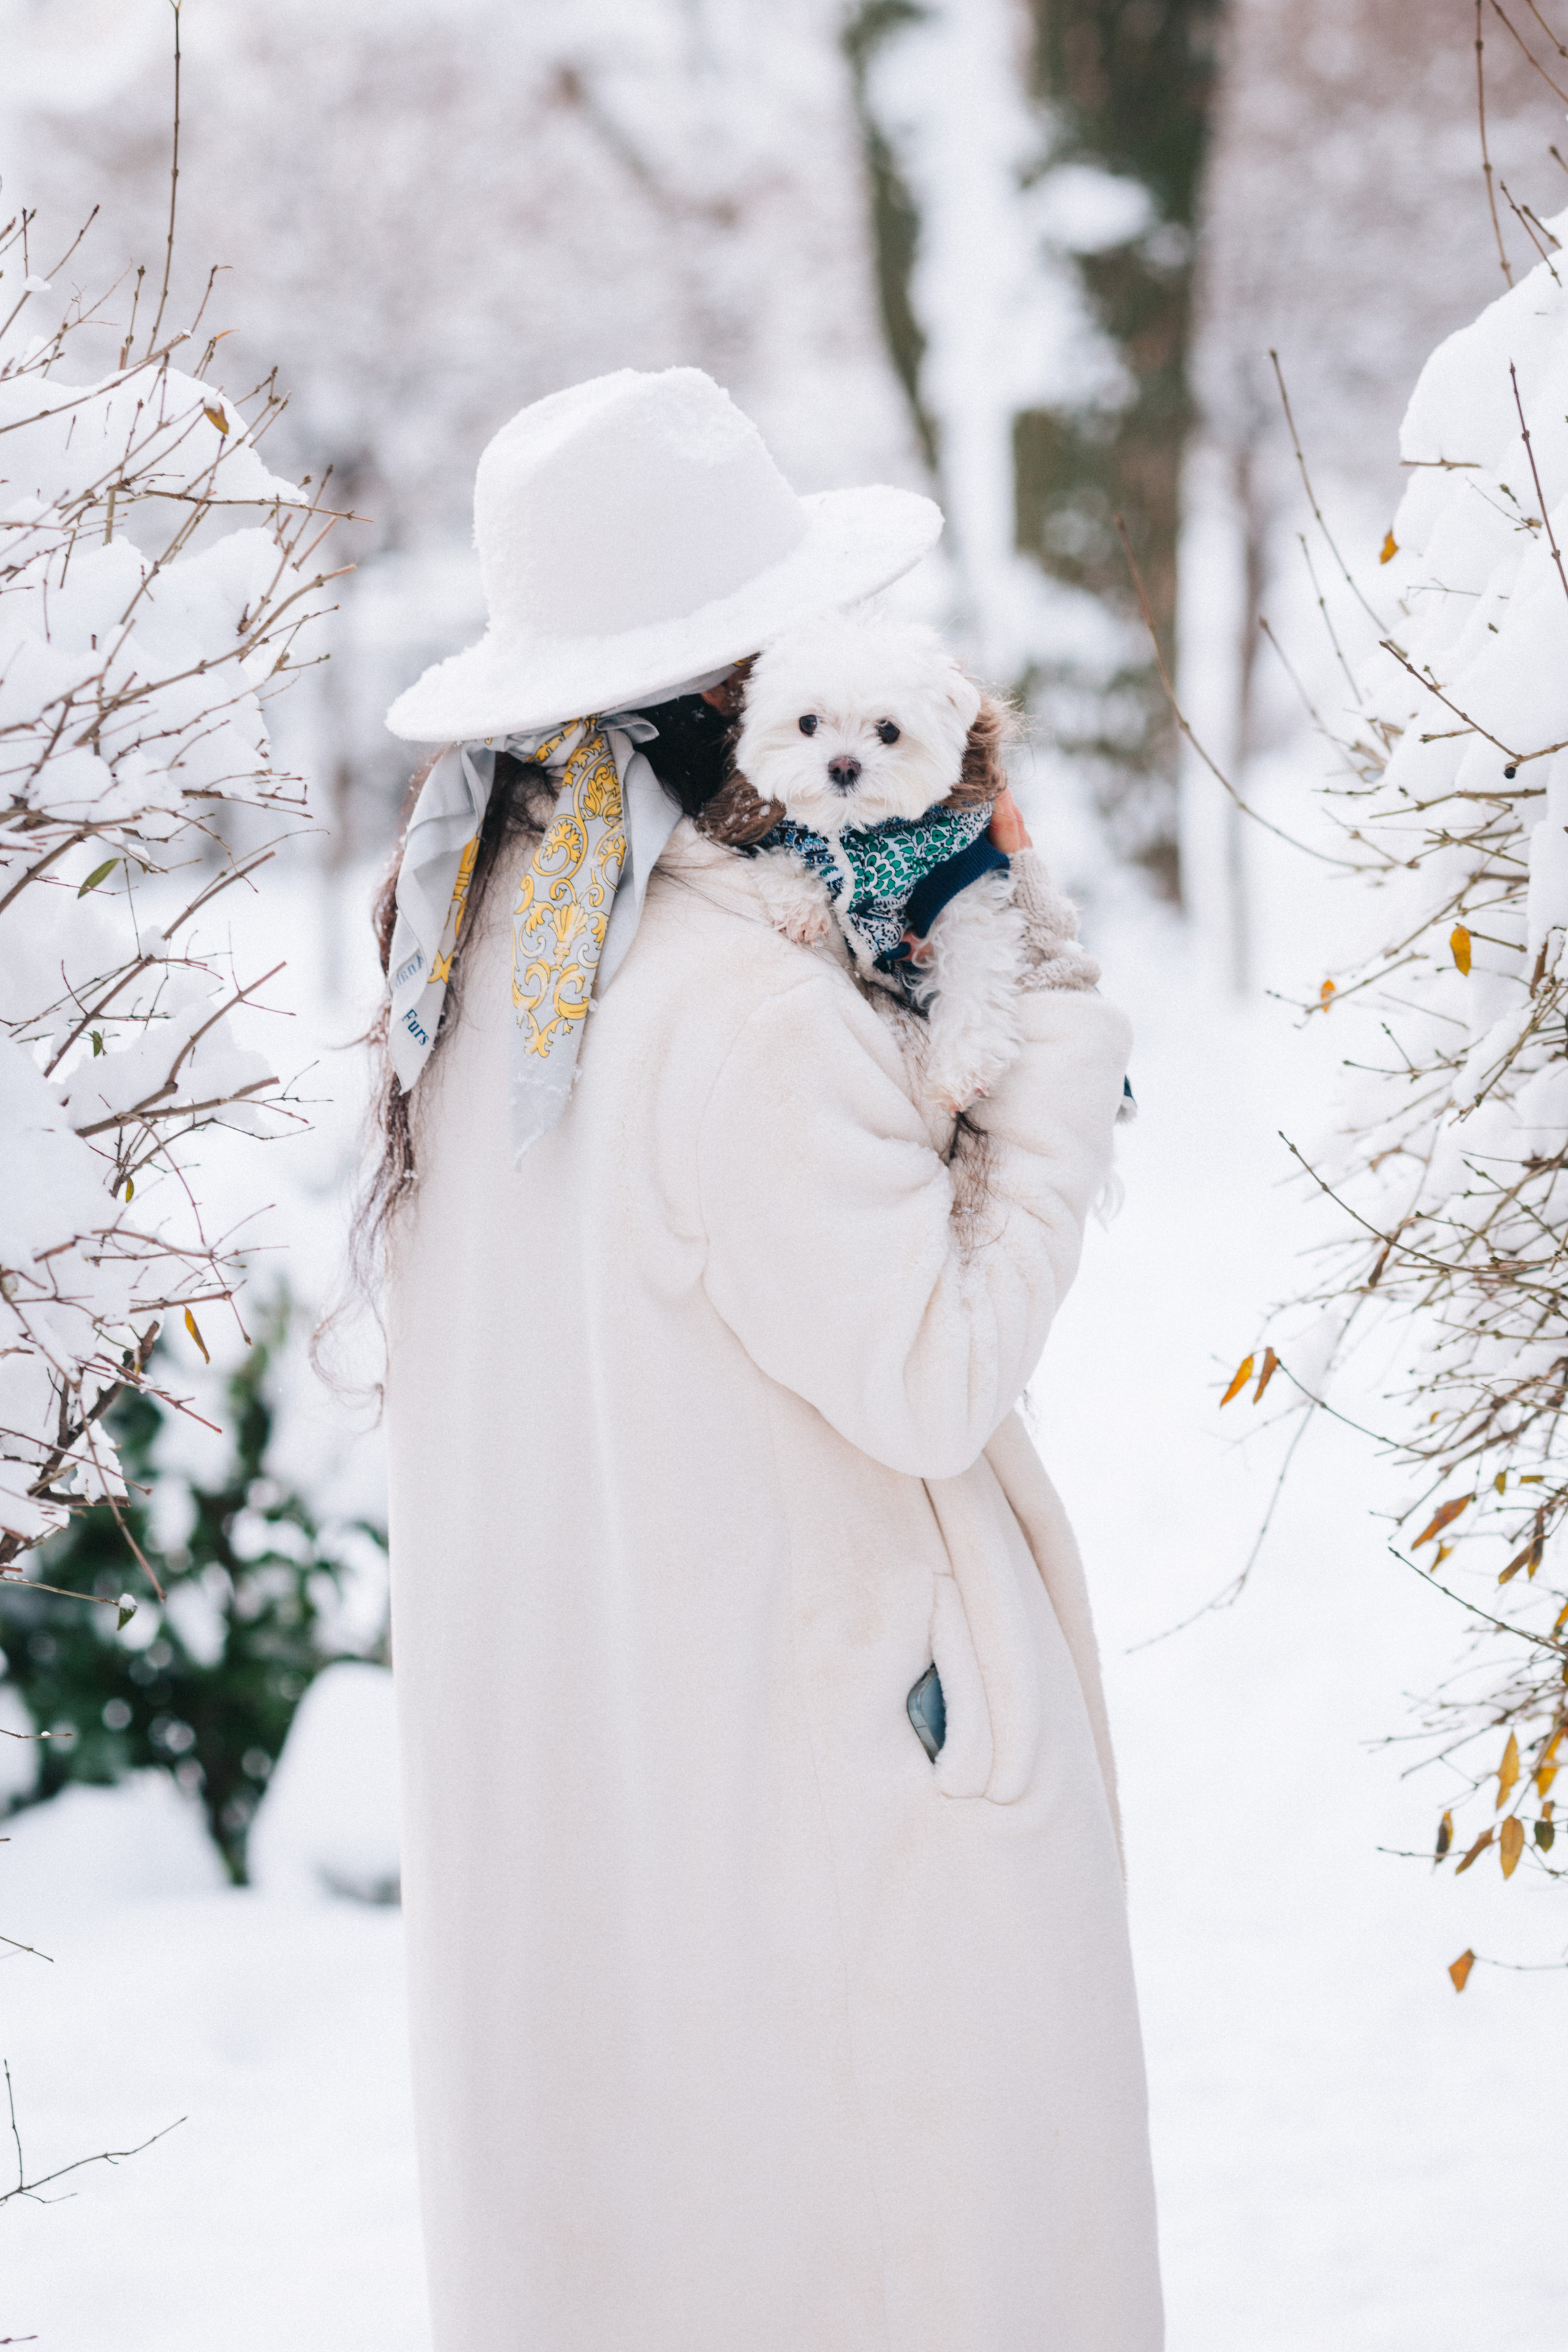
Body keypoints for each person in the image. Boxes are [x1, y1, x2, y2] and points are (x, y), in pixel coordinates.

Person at [372, 366, 1161, 2352]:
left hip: (629, 1807)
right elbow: (932, 1374)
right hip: (846, 1805)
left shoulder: (476, 972)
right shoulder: (737, 1009)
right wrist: (1057, 1062)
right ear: (749, 699)